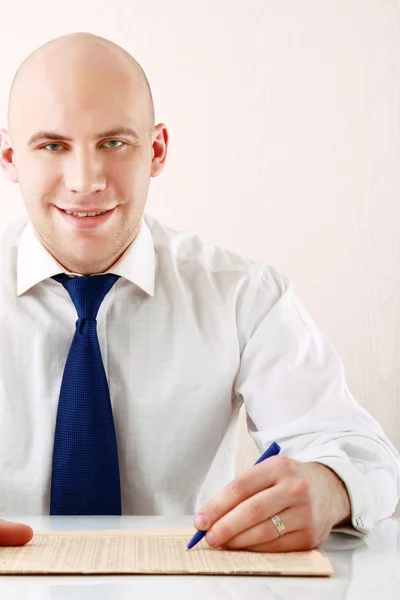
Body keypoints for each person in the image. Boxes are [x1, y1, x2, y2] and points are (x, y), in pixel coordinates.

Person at [0, 32, 399, 552]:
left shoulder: (242, 295)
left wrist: (330, 487)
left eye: (114, 143)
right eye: (52, 145)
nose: (85, 180)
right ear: (10, 156)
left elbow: (362, 453)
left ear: (157, 149)